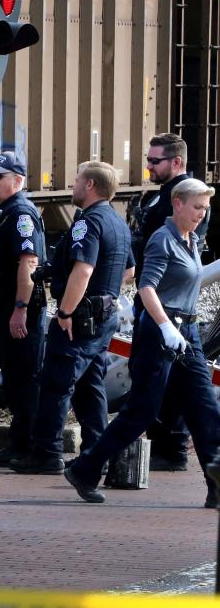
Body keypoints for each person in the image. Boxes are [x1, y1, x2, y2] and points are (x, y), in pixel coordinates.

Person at [65, 179, 220, 505]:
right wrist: (165, 326)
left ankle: (215, 485)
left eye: (205, 209)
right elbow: (146, 287)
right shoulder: (163, 240)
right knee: (142, 411)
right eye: (196, 207)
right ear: (177, 204)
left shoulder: (190, 238)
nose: (201, 214)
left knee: (204, 407)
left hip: (186, 333)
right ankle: (86, 468)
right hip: (161, 332)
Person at [11, 161, 134, 474]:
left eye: (77, 179)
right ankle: (96, 452)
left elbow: (84, 269)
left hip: (79, 320)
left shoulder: (88, 223)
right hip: (102, 318)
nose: (74, 184)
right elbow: (129, 271)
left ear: (90, 185)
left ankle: (46, 453)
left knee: (55, 384)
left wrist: (66, 311)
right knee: (90, 385)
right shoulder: (118, 222)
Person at [131, 133, 205, 472]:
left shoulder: (186, 198)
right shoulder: (163, 195)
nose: (148, 166)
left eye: (154, 161)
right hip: (158, 302)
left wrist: (161, 318)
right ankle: (165, 445)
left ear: (176, 162)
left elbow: (181, 249)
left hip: (166, 306)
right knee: (153, 378)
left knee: (162, 381)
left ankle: (171, 447)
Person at [0, 152, 47, 466]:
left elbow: (28, 263)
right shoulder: (1, 213)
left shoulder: (20, 214)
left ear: (17, 180)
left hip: (21, 310)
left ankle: (29, 446)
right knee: (14, 378)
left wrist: (20, 308)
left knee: (25, 378)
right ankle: (19, 443)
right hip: (4, 305)